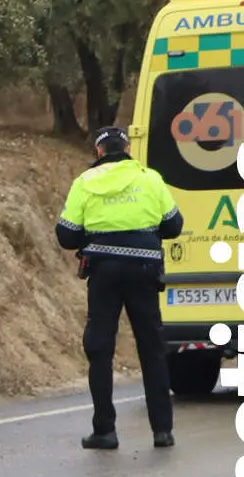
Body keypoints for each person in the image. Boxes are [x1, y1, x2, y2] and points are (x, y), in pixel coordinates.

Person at [55, 125, 184, 450]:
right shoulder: (150, 178)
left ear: (98, 152)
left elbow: (66, 235)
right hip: (144, 270)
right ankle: (162, 431)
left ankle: (105, 430)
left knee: (100, 349)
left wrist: (95, 235)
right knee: (151, 348)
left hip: (104, 273)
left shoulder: (85, 182)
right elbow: (174, 225)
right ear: (127, 149)